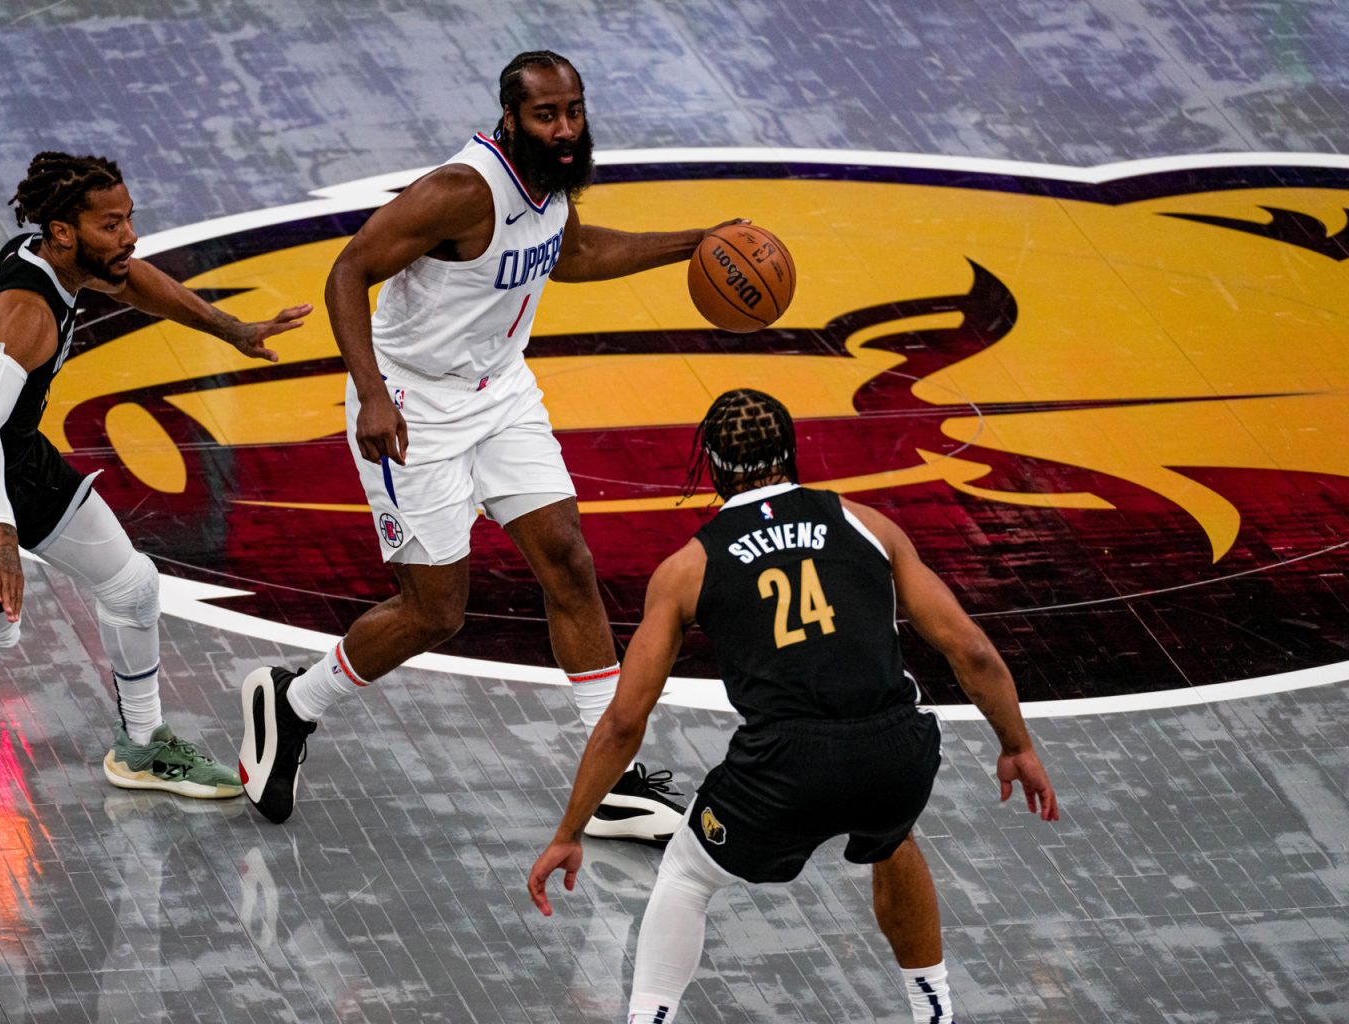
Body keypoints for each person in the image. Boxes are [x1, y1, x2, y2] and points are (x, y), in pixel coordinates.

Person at [237, 50, 733, 834]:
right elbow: (348, 270)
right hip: (412, 403)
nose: (565, 128)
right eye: (547, 115)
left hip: (499, 392)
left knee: (568, 557)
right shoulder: (461, 191)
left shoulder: (552, 180)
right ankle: (294, 702)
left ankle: (610, 780)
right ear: (512, 118)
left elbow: (573, 253)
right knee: (435, 612)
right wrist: (370, 393)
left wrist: (694, 243)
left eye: (573, 111)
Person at [526, 388, 1061, 1024]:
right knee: (892, 837)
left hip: (786, 769)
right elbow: (970, 651)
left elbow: (623, 721)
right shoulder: (870, 526)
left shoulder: (687, 568)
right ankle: (936, 1010)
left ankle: (650, 1019)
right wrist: (1017, 745)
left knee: (689, 873)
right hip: (896, 752)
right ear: (792, 451)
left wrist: (568, 832)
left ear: (714, 467)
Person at [0, 151, 311, 799]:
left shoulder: (55, 257)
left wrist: (231, 328)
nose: (129, 235)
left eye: (128, 218)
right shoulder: (28, 317)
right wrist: (1, 534)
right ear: (64, 231)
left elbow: (131, 283)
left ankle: (140, 746)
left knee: (131, 587)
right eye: (111, 224)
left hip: (18, 462)